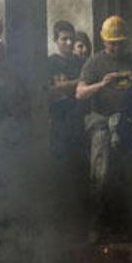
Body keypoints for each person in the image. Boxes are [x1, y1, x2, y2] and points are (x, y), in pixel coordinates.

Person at [75, 15, 132, 242]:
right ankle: (99, 226)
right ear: (104, 41)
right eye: (111, 43)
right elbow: (80, 93)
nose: (115, 47)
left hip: (129, 123)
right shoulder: (94, 62)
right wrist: (102, 84)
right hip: (102, 124)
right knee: (102, 177)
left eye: (120, 43)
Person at [47, 21, 86, 163]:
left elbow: (87, 85)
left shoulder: (82, 62)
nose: (69, 43)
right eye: (64, 39)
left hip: (80, 115)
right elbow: (50, 91)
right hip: (59, 118)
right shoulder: (50, 63)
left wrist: (64, 86)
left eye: (72, 39)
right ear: (55, 40)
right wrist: (77, 82)